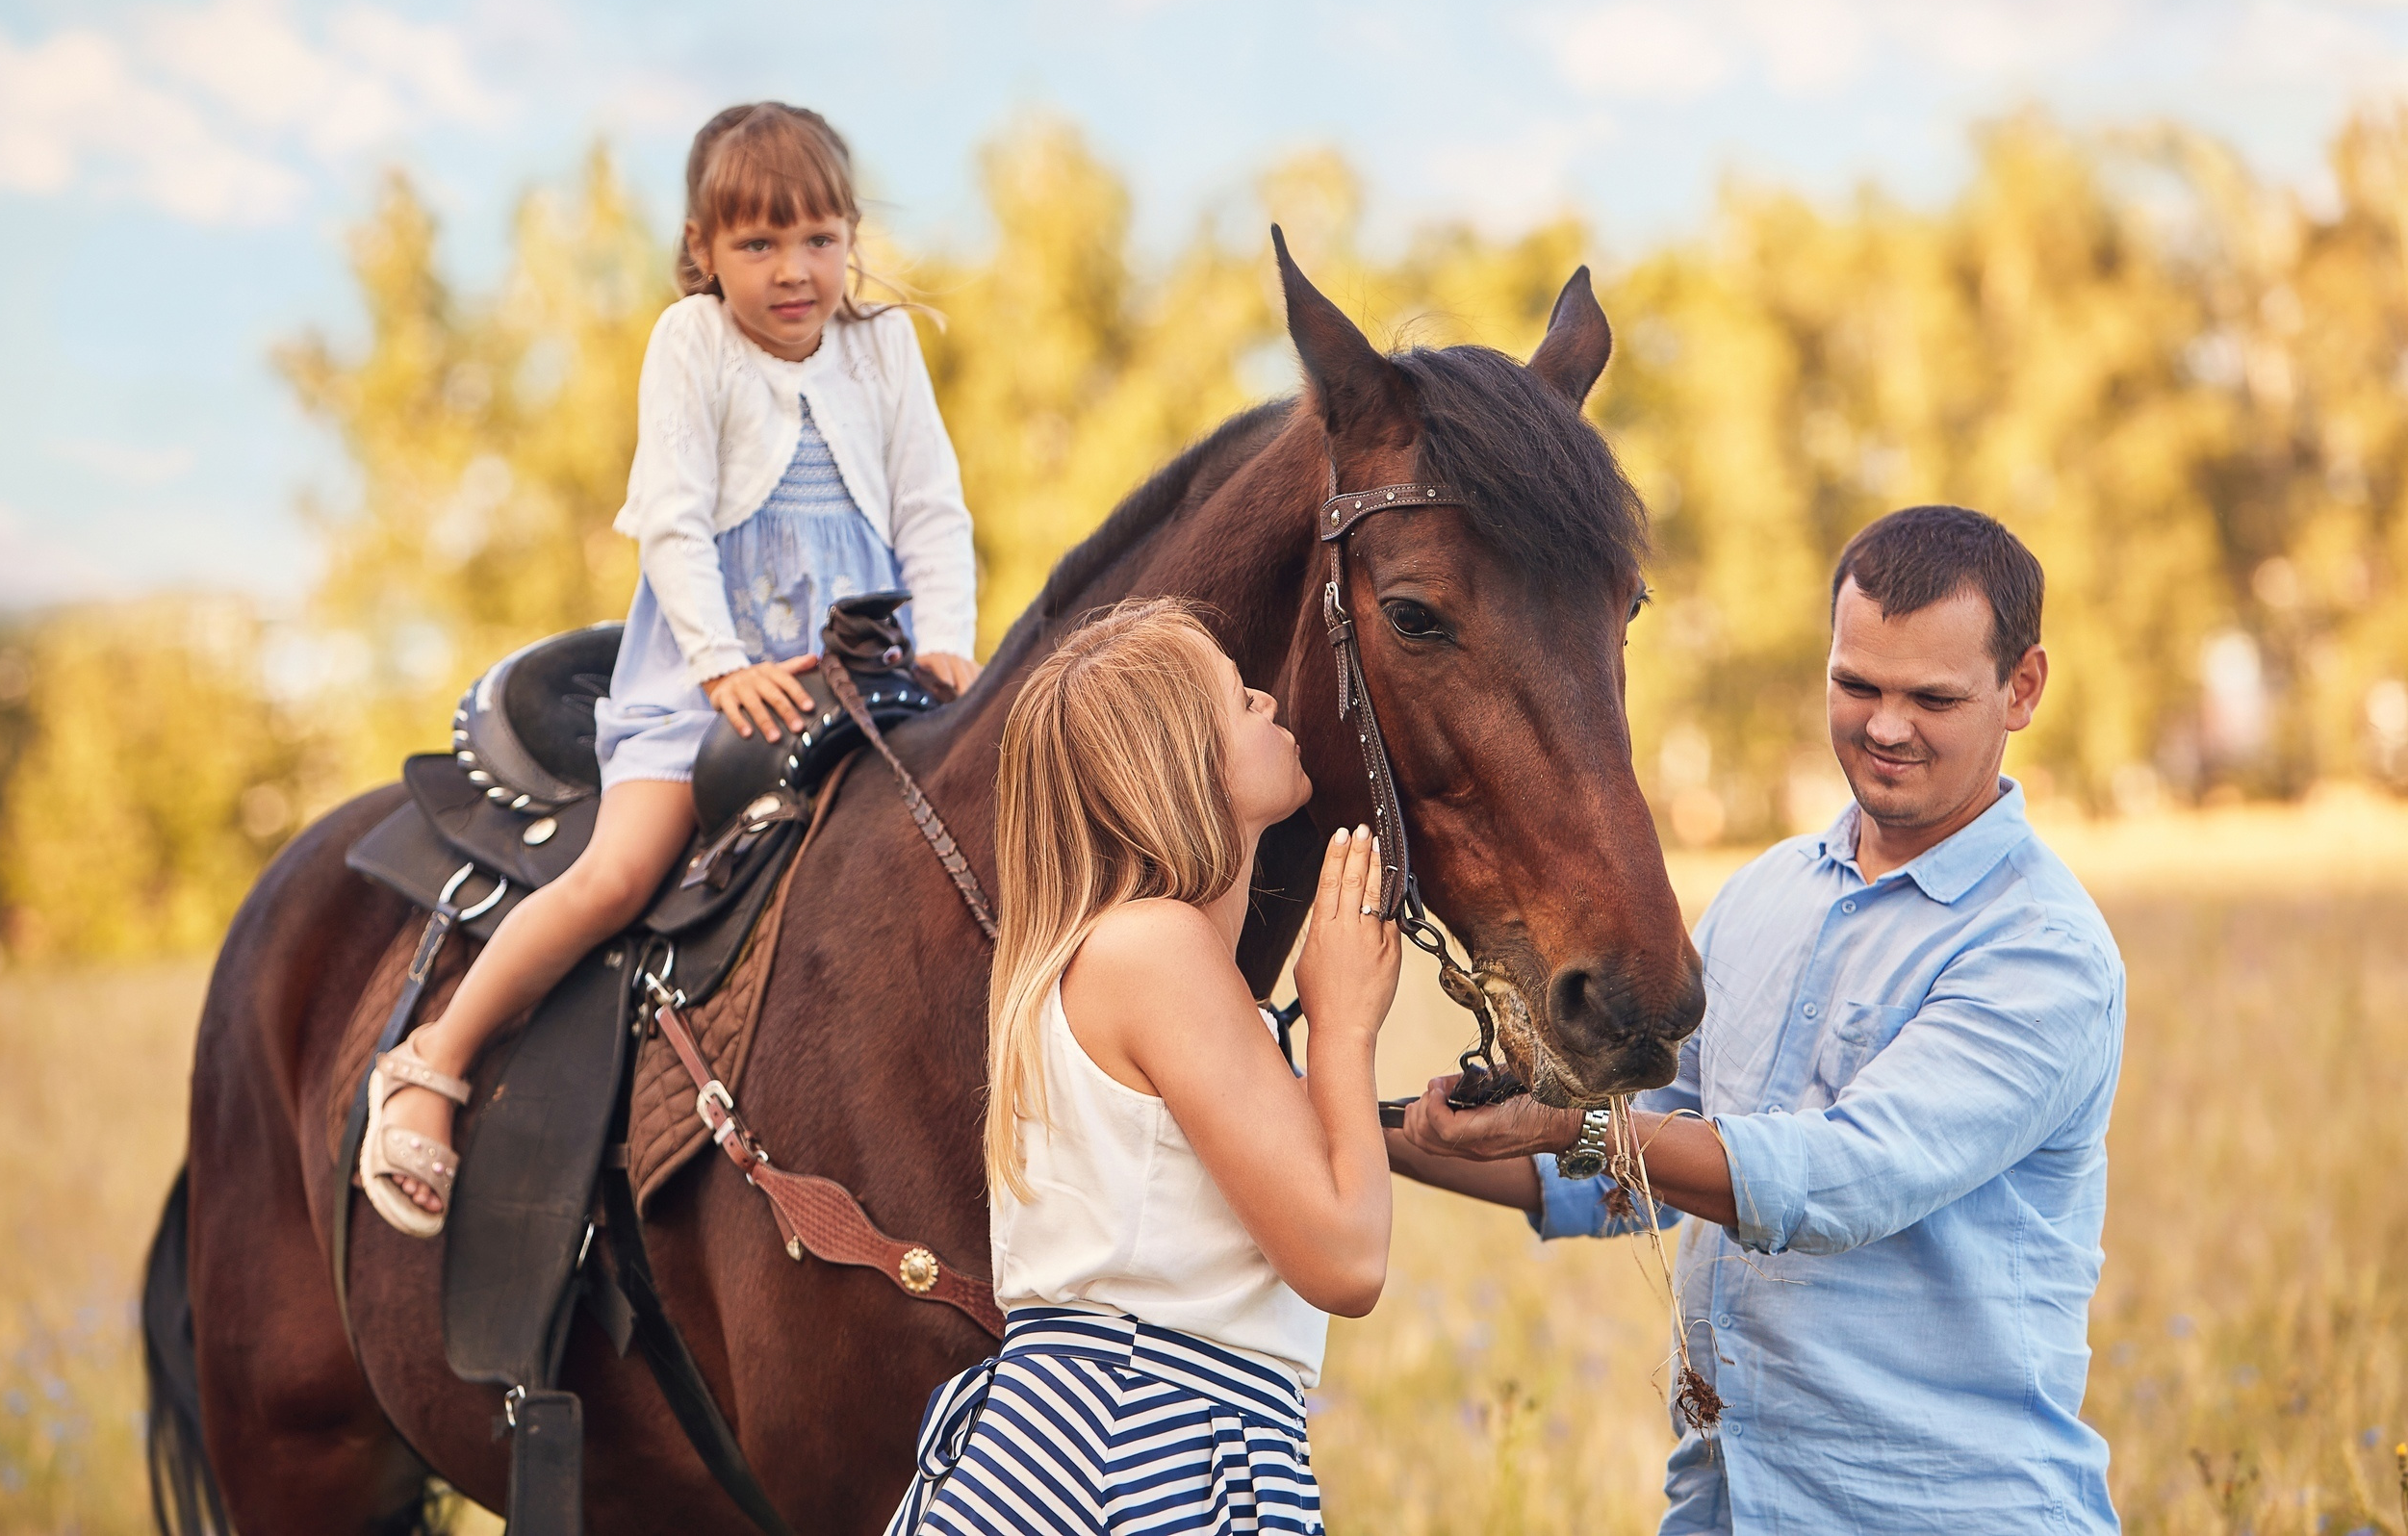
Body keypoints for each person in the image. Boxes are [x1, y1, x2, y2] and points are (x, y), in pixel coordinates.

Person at [1390, 505, 2127, 1534]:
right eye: (1855, 684)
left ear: (2023, 689)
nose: (1884, 725)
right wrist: (1354, 1123)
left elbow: (1842, 1180)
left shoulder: (2041, 951)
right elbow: (1635, 1177)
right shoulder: (1764, 896)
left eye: (1932, 697)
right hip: (1726, 1507)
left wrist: (1574, 1125)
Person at [361, 102, 980, 1238]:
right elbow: (677, 529)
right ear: (703, 251)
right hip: (711, 685)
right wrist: (721, 665)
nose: (793, 273)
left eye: (818, 240)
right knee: (621, 872)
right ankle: (434, 1060)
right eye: (757, 246)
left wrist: (946, 640)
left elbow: (931, 510)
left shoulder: (882, 349)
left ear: (851, 235)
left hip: (864, 678)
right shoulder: (691, 345)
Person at [884, 599, 1400, 1533]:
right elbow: (1345, 1258)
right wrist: (1344, 1028)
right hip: (1143, 1441)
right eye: (1230, 696)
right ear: (1177, 762)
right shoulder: (1155, 952)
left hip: (1144, 1429)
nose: (1260, 695)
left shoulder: (1132, 961)